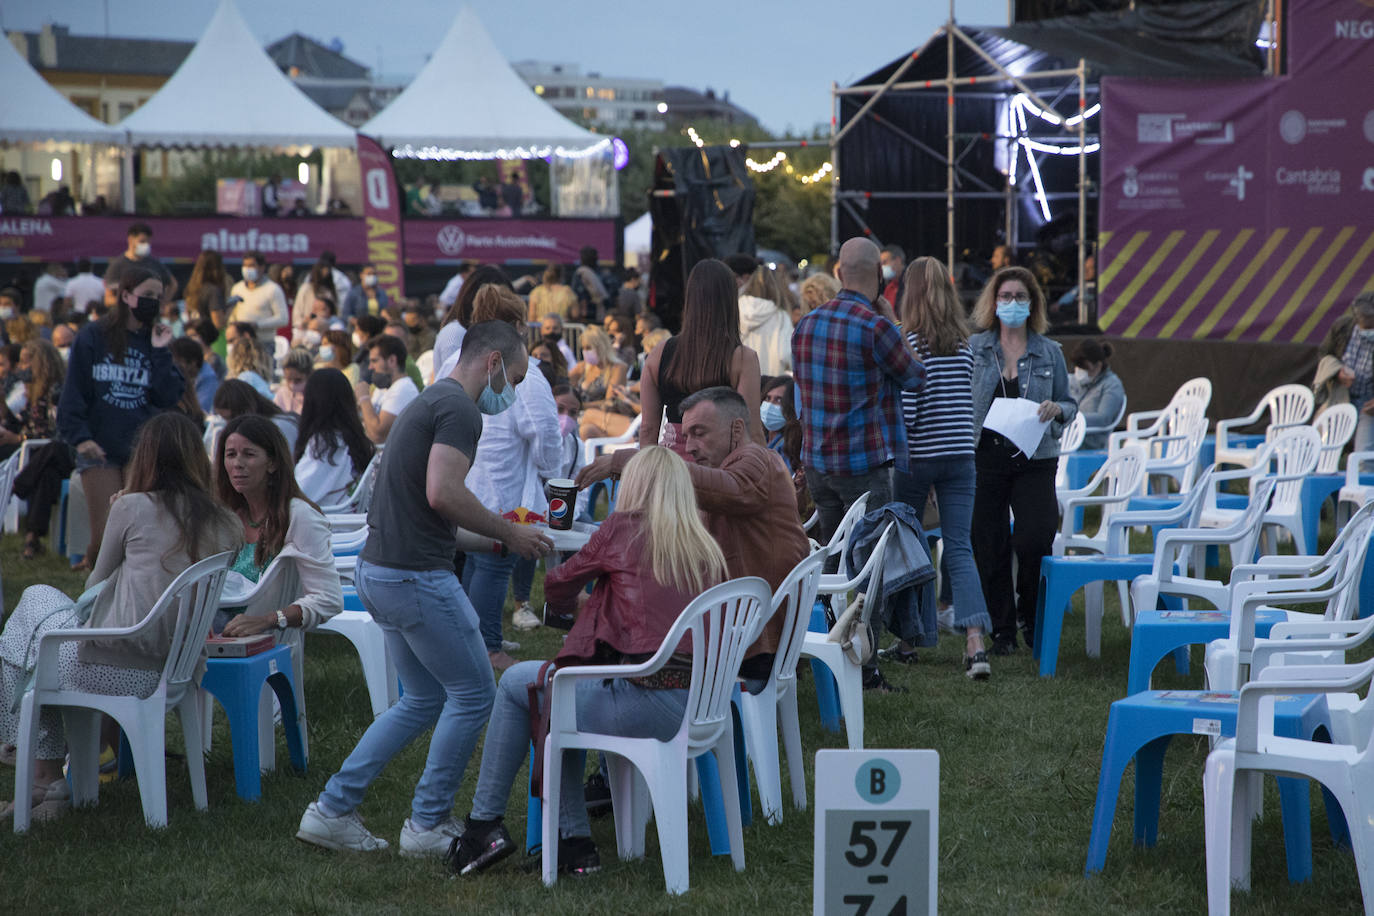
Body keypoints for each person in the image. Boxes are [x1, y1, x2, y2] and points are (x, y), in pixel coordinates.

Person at [296, 320, 553, 857]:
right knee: (476, 692)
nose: (513, 392)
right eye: (518, 376)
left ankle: (332, 809)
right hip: (415, 578)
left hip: (383, 571)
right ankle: (427, 824)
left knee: (424, 698)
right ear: (494, 364)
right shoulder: (459, 409)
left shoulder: (430, 400)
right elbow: (442, 493)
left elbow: (438, 517)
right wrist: (507, 528)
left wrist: (508, 542)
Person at [452, 445, 728, 877]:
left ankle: (486, 826)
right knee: (557, 695)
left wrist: (586, 599)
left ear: (633, 487)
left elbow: (559, 587)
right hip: (697, 705)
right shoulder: (706, 547)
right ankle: (571, 845)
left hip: (640, 697)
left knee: (517, 687)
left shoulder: (623, 529)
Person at [0, 413, 240, 821]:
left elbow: (94, 585)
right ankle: (50, 774)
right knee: (31, 636)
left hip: (112, 665)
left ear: (143, 458)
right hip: (175, 670)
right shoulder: (227, 522)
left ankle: (42, 775)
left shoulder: (132, 506)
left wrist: (119, 513)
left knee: (30, 614)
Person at [578, 386, 811, 674]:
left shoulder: (755, 462)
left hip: (748, 643)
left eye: (700, 433)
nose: (688, 447)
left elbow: (727, 489)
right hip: (742, 630)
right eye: (686, 436)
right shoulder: (736, 465)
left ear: (736, 429)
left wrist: (631, 462)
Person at [882, 256, 992, 679]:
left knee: (911, 549)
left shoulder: (907, 343)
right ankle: (975, 642)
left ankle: (909, 641)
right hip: (961, 458)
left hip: (918, 460)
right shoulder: (964, 345)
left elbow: (908, 413)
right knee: (960, 548)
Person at [792, 237, 925, 552]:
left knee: (833, 555)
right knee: (872, 564)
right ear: (880, 272)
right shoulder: (877, 327)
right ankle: (866, 604)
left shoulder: (805, 325)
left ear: (839, 274)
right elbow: (917, 377)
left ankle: (828, 604)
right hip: (861, 465)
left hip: (817, 464)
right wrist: (894, 321)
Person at [969, 266, 1077, 655]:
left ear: (1032, 304)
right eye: (1005, 297)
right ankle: (1002, 630)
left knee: (1035, 537)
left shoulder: (1050, 352)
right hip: (986, 457)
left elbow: (1070, 401)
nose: (1012, 303)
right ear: (993, 303)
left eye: (1019, 297)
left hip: (1036, 457)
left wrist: (1057, 409)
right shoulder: (975, 349)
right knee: (989, 543)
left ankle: (1030, 615)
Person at [455, 288, 561, 665]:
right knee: (496, 559)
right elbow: (544, 428)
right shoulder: (523, 371)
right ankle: (487, 645)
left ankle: (469, 639)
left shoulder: (458, 358)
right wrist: (553, 472)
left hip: (466, 476)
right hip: (504, 481)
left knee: (474, 558)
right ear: (515, 326)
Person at [57, 265, 183, 569]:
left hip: (142, 449)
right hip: (100, 447)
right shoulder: (93, 336)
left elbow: (169, 396)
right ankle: (94, 594)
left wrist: (161, 351)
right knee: (105, 539)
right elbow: (74, 391)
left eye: (159, 296)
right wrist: (80, 437)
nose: (154, 301)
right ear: (126, 295)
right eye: (148, 294)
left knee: (139, 534)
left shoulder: (155, 338)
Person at [213, 415, 343, 647]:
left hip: (263, 642)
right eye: (230, 454)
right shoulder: (224, 516)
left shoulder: (299, 516)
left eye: (249, 454)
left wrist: (269, 620)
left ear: (272, 463)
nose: (237, 463)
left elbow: (329, 599)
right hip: (211, 633)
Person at [640, 259, 763, 454]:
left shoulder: (658, 354)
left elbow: (647, 430)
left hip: (673, 468)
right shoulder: (742, 358)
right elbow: (751, 431)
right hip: (721, 471)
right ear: (731, 300)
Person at [3, 340, 66, 558]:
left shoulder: (57, 392)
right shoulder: (27, 391)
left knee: (52, 448)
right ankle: (32, 540)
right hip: (41, 461)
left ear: (41, 364)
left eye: (25, 362)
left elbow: (57, 433)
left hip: (64, 453)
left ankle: (15, 486)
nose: (21, 368)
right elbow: (16, 425)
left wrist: (19, 437)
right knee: (46, 474)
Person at [293, 368, 375, 506]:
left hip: (327, 522)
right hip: (347, 521)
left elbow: (298, 493)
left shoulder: (324, 444)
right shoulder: (352, 439)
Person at [433, 265, 513, 372]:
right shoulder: (456, 334)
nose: (506, 309)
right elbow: (457, 383)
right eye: (500, 302)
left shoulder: (481, 334)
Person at [1321, 291, 1374, 450]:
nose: (1368, 328)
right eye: (1365, 323)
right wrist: (1337, 372)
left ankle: (1364, 474)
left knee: (1364, 457)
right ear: (1356, 319)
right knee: (1325, 450)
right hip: (1342, 397)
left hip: (1369, 405)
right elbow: (1324, 354)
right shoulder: (1342, 328)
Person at [570, 326, 632, 439]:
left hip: (603, 418)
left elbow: (610, 403)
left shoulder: (617, 368)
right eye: (583, 348)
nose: (585, 351)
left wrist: (581, 406)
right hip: (578, 416)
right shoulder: (582, 367)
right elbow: (564, 387)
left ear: (601, 347)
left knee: (585, 428)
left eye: (589, 347)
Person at [355, 334, 418, 445]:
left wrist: (364, 399)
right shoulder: (384, 388)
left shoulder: (403, 389)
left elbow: (378, 436)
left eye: (374, 361)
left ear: (392, 361)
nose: (370, 367)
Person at [211, 379, 301, 456]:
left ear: (245, 411)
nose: (228, 425)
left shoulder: (280, 426)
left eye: (231, 419)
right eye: (224, 419)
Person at [1068, 338, 1125, 449]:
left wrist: (1071, 419)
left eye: (1084, 367)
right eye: (1078, 367)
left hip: (1090, 439)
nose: (1080, 371)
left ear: (1098, 366)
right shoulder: (1070, 380)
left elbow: (1104, 418)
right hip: (1068, 435)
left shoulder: (1112, 385)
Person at [738, 263, 794, 376]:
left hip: (741, 380)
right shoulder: (781, 316)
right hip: (771, 383)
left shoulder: (736, 308)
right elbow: (786, 353)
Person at [229, 252, 289, 349]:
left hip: (264, 344)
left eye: (251, 265)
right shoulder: (237, 288)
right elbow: (232, 315)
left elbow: (283, 319)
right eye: (245, 265)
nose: (247, 269)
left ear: (262, 267)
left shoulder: (273, 289)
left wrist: (258, 325)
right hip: (241, 344)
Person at [103, 223, 176, 302]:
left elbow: (173, 284)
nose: (146, 245)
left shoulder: (154, 263)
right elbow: (108, 298)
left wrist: (162, 304)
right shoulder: (117, 265)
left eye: (148, 242)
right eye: (142, 241)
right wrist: (128, 303)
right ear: (130, 240)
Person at [170, 336, 218, 414]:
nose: (174, 366)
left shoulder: (208, 378)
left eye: (178, 362)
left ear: (193, 362)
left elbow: (202, 410)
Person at [184, 250, 230, 327]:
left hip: (195, 333)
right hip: (210, 336)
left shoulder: (192, 288)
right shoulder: (213, 291)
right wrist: (230, 310)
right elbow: (218, 323)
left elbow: (188, 314)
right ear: (216, 269)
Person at [293, 260, 339, 333]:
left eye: (327, 271)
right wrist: (300, 323)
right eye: (323, 271)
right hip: (306, 327)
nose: (325, 273)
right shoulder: (306, 288)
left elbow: (334, 311)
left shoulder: (329, 291)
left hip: (326, 328)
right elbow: (298, 310)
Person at [570, 247, 608, 322]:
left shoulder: (581, 272)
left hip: (586, 314)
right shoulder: (601, 273)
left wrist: (583, 312)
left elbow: (580, 294)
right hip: (599, 312)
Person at [274, 347, 313, 414]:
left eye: (298, 380)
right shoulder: (282, 393)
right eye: (288, 379)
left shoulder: (315, 396)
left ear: (309, 375)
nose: (292, 384)